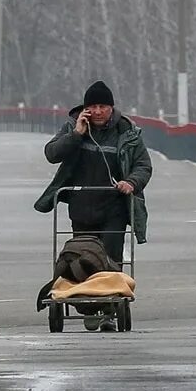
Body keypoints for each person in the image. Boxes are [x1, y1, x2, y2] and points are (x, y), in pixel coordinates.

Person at [35, 79, 153, 265]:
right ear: (85, 109)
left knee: (111, 261)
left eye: (103, 106)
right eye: (93, 106)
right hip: (81, 208)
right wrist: (76, 135)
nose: (98, 111)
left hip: (114, 208)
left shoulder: (127, 132)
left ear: (111, 108)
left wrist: (131, 182)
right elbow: (52, 154)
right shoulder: (73, 127)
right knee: (84, 261)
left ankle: (113, 289)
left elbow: (143, 165)